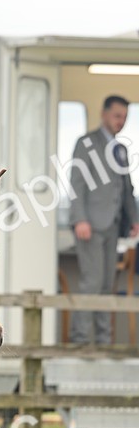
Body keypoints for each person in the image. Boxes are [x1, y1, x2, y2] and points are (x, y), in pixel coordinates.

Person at [69, 95, 139, 345]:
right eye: (117, 116)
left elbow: (127, 187)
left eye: (125, 118)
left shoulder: (121, 149)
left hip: (113, 227)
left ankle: (103, 342)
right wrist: (80, 220)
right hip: (90, 225)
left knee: (107, 285)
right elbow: (76, 183)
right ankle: (79, 342)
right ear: (105, 114)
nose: (121, 122)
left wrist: (134, 218)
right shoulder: (86, 143)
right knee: (92, 283)